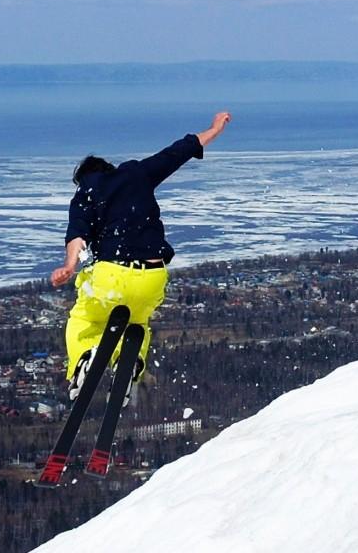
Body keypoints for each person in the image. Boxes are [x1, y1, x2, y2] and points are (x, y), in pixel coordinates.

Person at [51, 111, 231, 404]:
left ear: (83, 178)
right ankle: (130, 363)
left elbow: (77, 234)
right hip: (153, 277)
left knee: (85, 317)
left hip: (113, 276)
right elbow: (178, 151)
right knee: (137, 324)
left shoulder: (86, 192)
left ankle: (84, 358)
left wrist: (69, 266)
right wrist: (215, 129)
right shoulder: (136, 173)